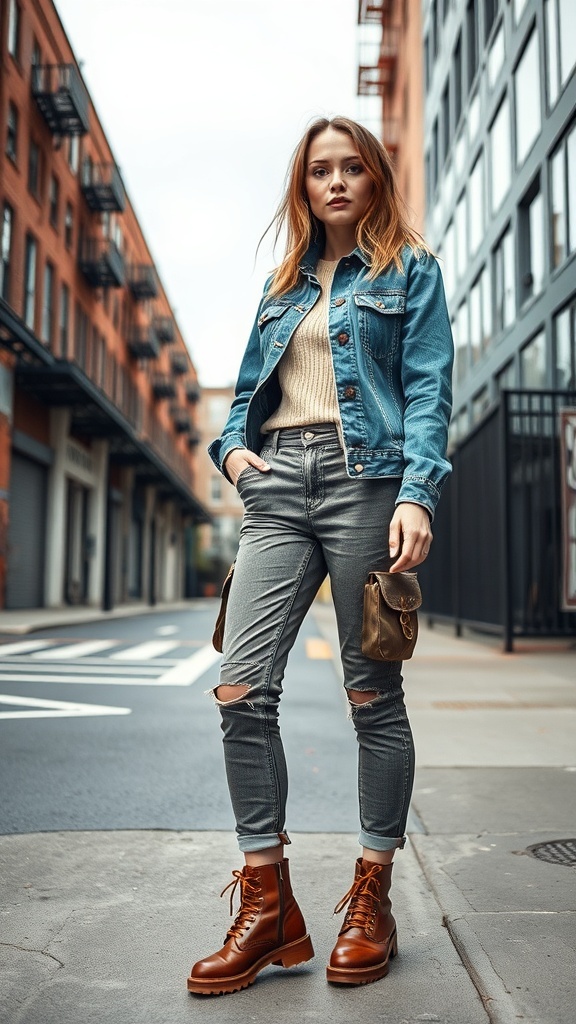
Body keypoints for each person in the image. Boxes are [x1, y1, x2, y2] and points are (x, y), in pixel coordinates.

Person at [187, 115, 453, 996]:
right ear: (303, 188)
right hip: (277, 488)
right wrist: (231, 454)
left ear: (375, 179)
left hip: (367, 484)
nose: (335, 183)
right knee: (239, 685)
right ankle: (269, 908)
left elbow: (426, 390)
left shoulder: (410, 272)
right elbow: (240, 405)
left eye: (351, 169)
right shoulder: (281, 285)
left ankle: (372, 894)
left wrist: (418, 491)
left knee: (372, 693)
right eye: (318, 172)